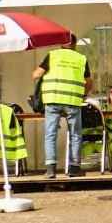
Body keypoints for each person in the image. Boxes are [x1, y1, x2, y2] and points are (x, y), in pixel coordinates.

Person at [32, 36, 88, 177]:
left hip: (53, 100)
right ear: (75, 44)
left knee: (50, 134)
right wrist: (82, 94)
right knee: (75, 135)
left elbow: (36, 74)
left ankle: (51, 169)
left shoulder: (53, 55)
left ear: (62, 44)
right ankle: (74, 168)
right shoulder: (81, 59)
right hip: (73, 101)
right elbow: (89, 82)